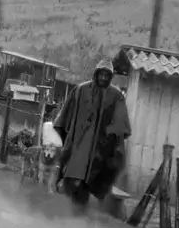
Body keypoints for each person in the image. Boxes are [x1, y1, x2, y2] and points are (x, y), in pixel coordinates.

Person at [53, 58, 132, 215]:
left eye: (106, 75)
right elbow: (64, 119)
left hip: (98, 152)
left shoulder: (116, 97)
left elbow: (120, 127)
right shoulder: (81, 90)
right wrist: (67, 141)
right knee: (70, 182)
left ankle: (78, 220)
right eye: (100, 74)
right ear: (96, 74)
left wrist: (109, 140)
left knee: (87, 187)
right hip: (77, 148)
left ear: (110, 77)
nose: (103, 78)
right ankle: (63, 217)